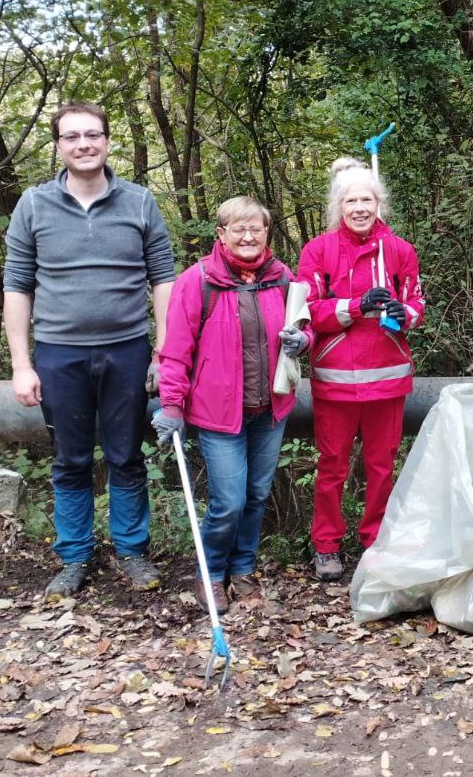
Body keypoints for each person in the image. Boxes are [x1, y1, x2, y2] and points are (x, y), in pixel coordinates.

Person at [3, 102, 175, 601]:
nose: (84, 144)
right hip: (59, 354)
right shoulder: (33, 205)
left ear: (106, 141)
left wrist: (164, 353)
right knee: (70, 460)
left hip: (128, 351)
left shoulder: (140, 202)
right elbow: (17, 286)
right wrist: (21, 364)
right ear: (59, 145)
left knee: (126, 455)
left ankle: (132, 552)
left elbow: (163, 278)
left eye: (93, 135)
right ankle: (75, 557)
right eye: (73, 136)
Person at [150, 196, 310, 612]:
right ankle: (211, 573)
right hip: (220, 414)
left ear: (267, 232)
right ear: (221, 234)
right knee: (228, 502)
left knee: (256, 495)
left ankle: (242, 569)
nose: (248, 236)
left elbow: (302, 325)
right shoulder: (197, 280)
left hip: (269, 409)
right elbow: (175, 350)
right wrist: (171, 405)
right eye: (238, 228)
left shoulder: (281, 277)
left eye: (255, 228)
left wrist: (302, 340)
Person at [298, 158, 424, 581]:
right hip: (335, 381)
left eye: (366, 199)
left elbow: (417, 305)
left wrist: (399, 312)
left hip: (387, 378)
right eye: (350, 200)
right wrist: (354, 307)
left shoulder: (401, 250)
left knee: (382, 465)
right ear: (339, 205)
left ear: (378, 203)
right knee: (332, 465)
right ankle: (327, 545)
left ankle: (375, 541)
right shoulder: (318, 251)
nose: (359, 207)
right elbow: (308, 311)